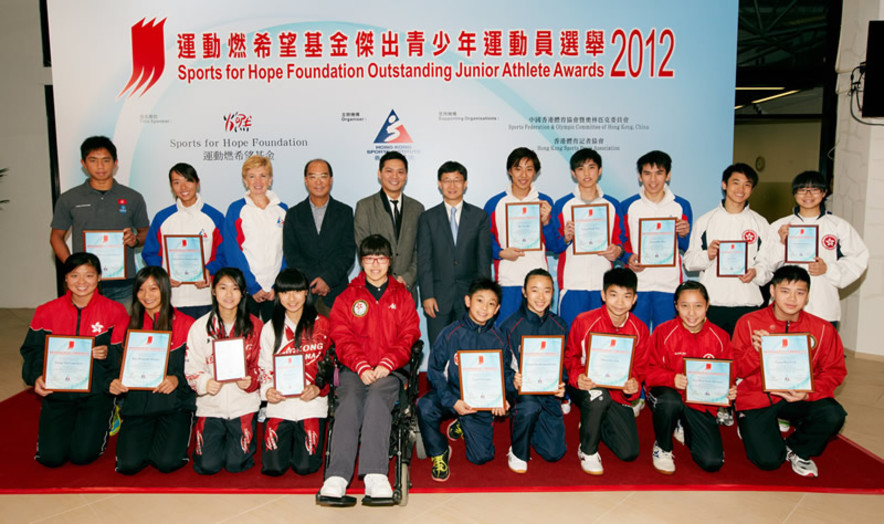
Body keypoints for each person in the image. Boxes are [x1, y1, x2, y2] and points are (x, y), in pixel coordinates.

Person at [318, 235, 421, 502]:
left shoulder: (403, 295)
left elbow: (409, 335)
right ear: (361, 262)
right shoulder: (347, 296)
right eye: (369, 258)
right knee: (349, 400)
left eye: (381, 258)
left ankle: (375, 476)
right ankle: (336, 477)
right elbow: (341, 335)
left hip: (391, 370)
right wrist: (361, 365)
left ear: (390, 261)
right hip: (355, 368)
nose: (375, 264)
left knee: (377, 398)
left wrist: (387, 363)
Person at [732, 265, 847, 478]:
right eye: (785, 291)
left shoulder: (823, 329)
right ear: (773, 291)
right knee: (768, 462)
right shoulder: (748, 323)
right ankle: (750, 425)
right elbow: (734, 370)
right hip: (758, 397)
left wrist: (809, 392)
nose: (792, 298)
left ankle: (797, 449)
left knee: (833, 414)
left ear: (807, 296)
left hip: (800, 396)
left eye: (800, 292)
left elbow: (835, 371)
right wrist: (755, 352)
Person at [20, 252, 129, 467]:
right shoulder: (46, 311)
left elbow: (124, 354)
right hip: (59, 392)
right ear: (66, 279)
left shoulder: (115, 311)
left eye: (89, 275)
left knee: (82, 456)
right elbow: (32, 350)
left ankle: (111, 412)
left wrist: (107, 351)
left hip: (97, 393)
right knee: (51, 459)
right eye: (74, 275)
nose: (81, 282)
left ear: (99, 277)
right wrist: (36, 377)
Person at [417, 278, 509, 482]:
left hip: (481, 401)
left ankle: (462, 424)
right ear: (468, 301)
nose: (484, 308)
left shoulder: (499, 338)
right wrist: (453, 401)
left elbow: (506, 375)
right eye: (479, 301)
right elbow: (434, 371)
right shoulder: (450, 334)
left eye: (491, 303)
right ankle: (440, 452)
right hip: (451, 394)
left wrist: (502, 398)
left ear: (497, 309)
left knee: (481, 457)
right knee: (424, 406)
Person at [110, 266, 196, 474]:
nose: (147, 296)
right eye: (141, 289)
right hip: (138, 405)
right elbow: (113, 367)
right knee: (128, 466)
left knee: (167, 463)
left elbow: (199, 369)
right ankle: (125, 420)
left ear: (165, 290)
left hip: (174, 406)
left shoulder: (187, 324)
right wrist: (112, 382)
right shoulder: (125, 326)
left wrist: (177, 380)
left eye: (154, 289)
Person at [563, 268, 649, 475]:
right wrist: (577, 377)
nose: (619, 302)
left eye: (626, 296)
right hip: (587, 386)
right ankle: (587, 450)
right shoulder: (584, 321)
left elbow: (641, 367)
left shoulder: (640, 329)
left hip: (618, 393)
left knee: (629, 452)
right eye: (613, 295)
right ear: (603, 295)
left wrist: (633, 385)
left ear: (634, 299)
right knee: (598, 397)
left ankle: (594, 420)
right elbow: (570, 357)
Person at [645, 281, 735, 474]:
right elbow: (647, 371)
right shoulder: (663, 332)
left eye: (698, 306)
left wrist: (729, 389)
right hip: (668, 395)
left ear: (707, 305)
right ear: (676, 306)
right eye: (685, 306)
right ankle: (663, 447)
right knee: (670, 402)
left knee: (712, 462)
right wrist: (671, 378)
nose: (692, 313)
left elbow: (728, 373)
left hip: (699, 403)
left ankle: (682, 424)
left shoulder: (720, 337)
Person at [758, 170, 869, 327]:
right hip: (785, 306)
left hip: (823, 304)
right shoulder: (779, 226)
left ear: (824, 193)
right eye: (802, 190)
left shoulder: (838, 226)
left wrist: (828, 269)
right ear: (795, 194)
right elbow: (766, 265)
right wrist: (781, 243)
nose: (808, 195)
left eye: (814, 189)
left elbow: (859, 259)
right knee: (785, 349)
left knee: (821, 348)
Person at [49, 136, 149, 307]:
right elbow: (56, 237)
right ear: (84, 163)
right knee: (87, 333)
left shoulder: (133, 197)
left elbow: (145, 233)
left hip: (123, 284)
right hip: (84, 285)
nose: (100, 166)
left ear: (115, 162)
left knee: (122, 332)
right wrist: (73, 268)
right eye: (93, 160)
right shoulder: (69, 198)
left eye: (106, 160)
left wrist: (135, 239)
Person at [184, 267, 263, 474]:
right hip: (211, 405)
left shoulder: (256, 327)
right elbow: (191, 366)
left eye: (235, 289)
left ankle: (241, 441)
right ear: (213, 290)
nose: (229, 295)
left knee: (236, 465)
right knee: (207, 466)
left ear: (243, 292)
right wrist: (204, 383)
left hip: (243, 405)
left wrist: (252, 380)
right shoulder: (200, 327)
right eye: (223, 288)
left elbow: (263, 366)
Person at [258, 268, 331, 476]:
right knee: (273, 468)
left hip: (311, 404)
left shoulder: (323, 325)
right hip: (280, 404)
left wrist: (319, 389)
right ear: (278, 295)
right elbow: (263, 368)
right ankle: (287, 440)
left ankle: (297, 443)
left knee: (305, 467)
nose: (292, 298)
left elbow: (333, 367)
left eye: (297, 291)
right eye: (285, 292)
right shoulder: (270, 328)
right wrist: (267, 391)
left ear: (306, 292)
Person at [683, 163, 771, 336]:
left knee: (744, 359)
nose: (741, 189)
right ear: (724, 185)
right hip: (713, 302)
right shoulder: (705, 221)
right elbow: (689, 261)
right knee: (712, 358)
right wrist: (707, 255)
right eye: (736, 182)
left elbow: (767, 264)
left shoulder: (760, 223)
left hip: (747, 303)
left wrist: (755, 272)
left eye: (747, 184)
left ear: (752, 189)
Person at [417, 160, 492, 351]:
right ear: (439, 184)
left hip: (469, 297)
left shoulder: (479, 216)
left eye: (457, 180)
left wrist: (481, 297)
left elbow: (484, 260)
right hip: (437, 298)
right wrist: (427, 295)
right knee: (439, 350)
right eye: (447, 180)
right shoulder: (428, 218)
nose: (452, 186)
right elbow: (424, 259)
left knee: (470, 350)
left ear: (465, 183)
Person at [500, 269, 568, 473]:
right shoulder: (510, 326)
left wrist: (561, 384)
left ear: (553, 293)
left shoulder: (560, 325)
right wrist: (513, 379)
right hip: (522, 394)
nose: (541, 297)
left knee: (554, 454)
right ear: (524, 292)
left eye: (547, 291)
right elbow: (501, 367)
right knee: (528, 406)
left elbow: (564, 365)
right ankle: (518, 451)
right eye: (535, 290)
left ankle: (532, 425)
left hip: (548, 395)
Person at [548, 148, 625, 326]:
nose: (587, 173)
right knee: (571, 338)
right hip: (572, 284)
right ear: (573, 173)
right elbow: (553, 245)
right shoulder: (562, 205)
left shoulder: (612, 205)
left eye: (591, 167)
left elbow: (621, 242)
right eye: (581, 169)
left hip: (603, 285)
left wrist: (618, 251)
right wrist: (565, 238)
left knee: (601, 339)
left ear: (600, 170)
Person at [484, 147, 558, 325]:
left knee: (536, 334)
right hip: (507, 281)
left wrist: (547, 222)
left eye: (529, 169)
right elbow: (484, 241)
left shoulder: (545, 201)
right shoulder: (494, 204)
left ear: (536, 172)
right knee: (504, 332)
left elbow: (554, 246)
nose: (523, 175)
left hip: (537, 283)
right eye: (518, 168)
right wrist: (501, 253)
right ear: (510, 171)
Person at [142, 163, 226, 319]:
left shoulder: (215, 217)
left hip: (205, 296)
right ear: (171, 186)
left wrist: (208, 271)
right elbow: (150, 253)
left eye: (188, 180)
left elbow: (224, 255)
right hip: (171, 297)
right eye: (176, 182)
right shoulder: (162, 218)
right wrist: (164, 275)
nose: (183, 187)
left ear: (197, 182)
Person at [621, 150, 693, 330]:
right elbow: (620, 243)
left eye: (659, 173)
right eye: (647, 173)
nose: (653, 180)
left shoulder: (681, 205)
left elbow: (687, 247)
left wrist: (684, 235)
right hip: (637, 285)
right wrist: (628, 258)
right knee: (636, 340)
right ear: (639, 176)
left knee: (667, 341)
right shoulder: (628, 206)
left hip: (668, 286)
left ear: (668, 175)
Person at [282, 159, 355, 315]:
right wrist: (314, 280)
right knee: (305, 339)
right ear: (306, 181)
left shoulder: (345, 212)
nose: (318, 182)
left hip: (336, 292)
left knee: (339, 338)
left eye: (323, 176)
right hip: (304, 294)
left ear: (331, 179)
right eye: (313, 176)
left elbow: (348, 252)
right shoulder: (294, 214)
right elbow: (291, 253)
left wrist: (327, 279)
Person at [222, 155, 288, 321]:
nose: (258, 181)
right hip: (246, 289)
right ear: (245, 180)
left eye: (263, 176)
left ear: (270, 179)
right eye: (252, 176)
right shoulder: (236, 209)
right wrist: (252, 286)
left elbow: (288, 250)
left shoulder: (283, 209)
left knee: (274, 339)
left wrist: (277, 286)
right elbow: (232, 251)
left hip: (275, 290)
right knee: (247, 339)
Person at [353, 151, 425, 300]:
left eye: (400, 172)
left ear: (406, 176)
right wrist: (387, 279)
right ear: (379, 174)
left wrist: (407, 278)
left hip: (406, 290)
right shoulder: (365, 207)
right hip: (374, 291)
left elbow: (421, 250)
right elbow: (363, 248)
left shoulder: (417, 208)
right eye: (389, 171)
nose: (394, 177)